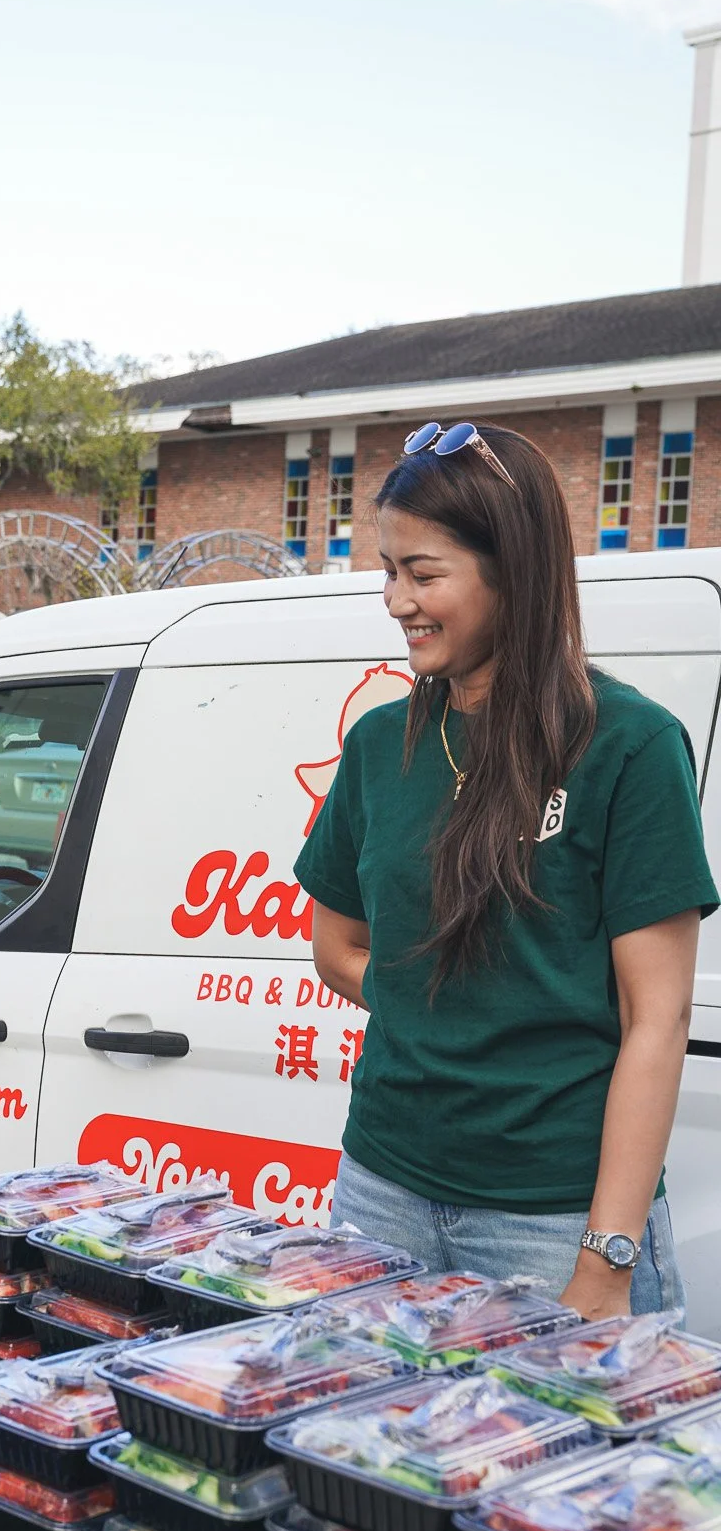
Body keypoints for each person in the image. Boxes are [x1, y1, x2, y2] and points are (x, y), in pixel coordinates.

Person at [295, 419, 717, 1320]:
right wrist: (441, 1011)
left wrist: (607, 1258)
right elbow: (336, 949)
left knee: (569, 1459)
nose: (395, 599)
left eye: (422, 573)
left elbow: (659, 1018)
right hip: (383, 1190)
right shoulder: (381, 745)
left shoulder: (630, 746)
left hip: (555, 1216)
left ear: (512, 572)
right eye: (387, 570)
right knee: (373, 1458)